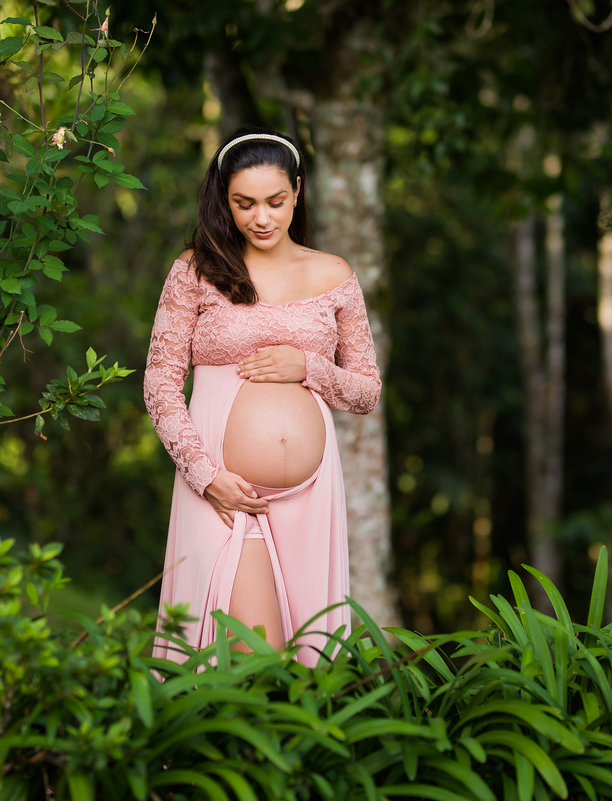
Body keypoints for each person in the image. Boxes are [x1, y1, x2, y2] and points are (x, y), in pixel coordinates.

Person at [144, 126, 381, 666]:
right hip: (224, 492)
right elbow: (160, 381)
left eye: (275, 201)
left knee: (305, 665)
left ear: (297, 190)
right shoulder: (196, 270)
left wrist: (309, 367)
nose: (262, 218)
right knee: (255, 657)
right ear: (224, 201)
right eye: (244, 203)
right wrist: (205, 475)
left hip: (310, 498)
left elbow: (366, 391)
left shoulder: (334, 274)